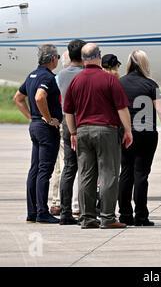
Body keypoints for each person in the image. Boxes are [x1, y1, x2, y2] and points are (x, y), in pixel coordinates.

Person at [64, 43, 133, 229]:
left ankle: (87, 218)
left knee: (86, 174)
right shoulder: (109, 79)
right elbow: (121, 108)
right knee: (109, 174)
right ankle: (108, 217)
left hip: (83, 131)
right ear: (98, 56)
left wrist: (72, 132)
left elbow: (68, 111)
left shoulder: (76, 81)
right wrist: (128, 130)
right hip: (106, 130)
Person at [118, 50, 161, 226]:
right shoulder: (151, 85)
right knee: (141, 174)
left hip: (125, 132)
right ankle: (141, 216)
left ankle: (125, 214)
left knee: (125, 173)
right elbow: (160, 110)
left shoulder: (119, 83)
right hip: (146, 134)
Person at [13, 44, 62, 224]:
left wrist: (32, 117)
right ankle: (42, 211)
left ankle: (32, 211)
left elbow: (18, 98)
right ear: (51, 59)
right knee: (44, 171)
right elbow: (40, 97)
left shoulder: (32, 75)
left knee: (34, 169)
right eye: (56, 56)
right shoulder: (47, 77)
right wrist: (47, 118)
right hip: (46, 129)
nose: (57, 59)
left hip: (35, 126)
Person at [56, 39, 86, 225]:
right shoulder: (86, 74)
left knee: (69, 167)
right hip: (84, 121)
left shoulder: (62, 75)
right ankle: (85, 210)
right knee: (87, 169)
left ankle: (65, 211)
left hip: (67, 123)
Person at [49, 50, 71, 216]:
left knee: (60, 163)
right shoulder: (82, 75)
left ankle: (56, 201)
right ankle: (76, 203)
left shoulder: (57, 78)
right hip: (78, 120)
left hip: (61, 119)